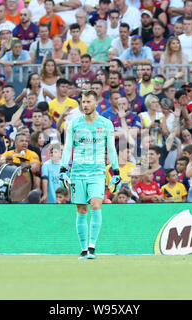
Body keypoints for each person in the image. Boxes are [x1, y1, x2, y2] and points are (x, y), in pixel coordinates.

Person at [59, 90, 121, 260]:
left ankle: (92, 246)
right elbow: (67, 147)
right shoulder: (74, 124)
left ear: (96, 103)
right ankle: (84, 249)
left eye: (88, 102)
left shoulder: (106, 124)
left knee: (96, 204)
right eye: (83, 102)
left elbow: (112, 148)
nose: (84, 105)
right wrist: (63, 169)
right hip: (78, 171)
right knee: (81, 208)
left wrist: (116, 170)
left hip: (97, 172)